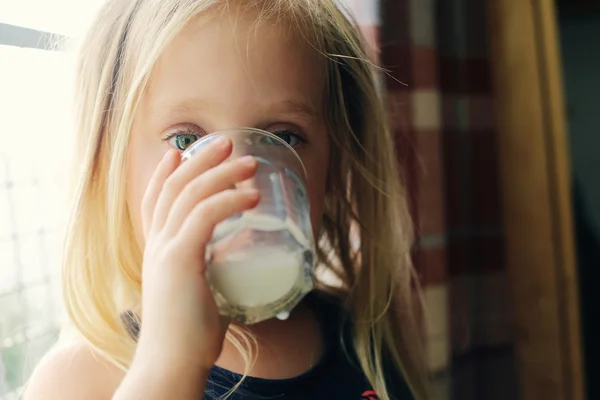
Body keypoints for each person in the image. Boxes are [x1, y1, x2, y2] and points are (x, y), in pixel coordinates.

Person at [24, 0, 429, 399]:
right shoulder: (80, 379)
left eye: (284, 137)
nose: (240, 181)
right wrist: (170, 365)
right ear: (110, 164)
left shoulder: (365, 333)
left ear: (335, 164)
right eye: (188, 140)